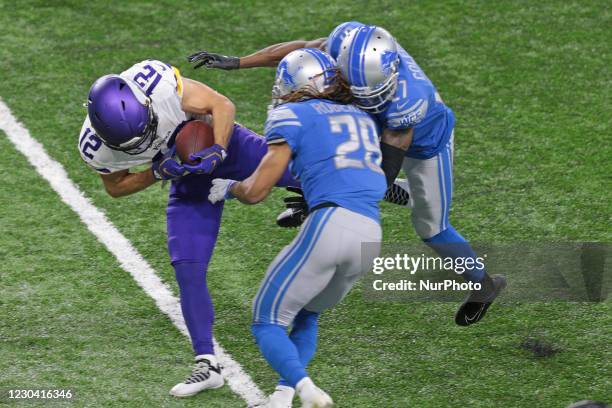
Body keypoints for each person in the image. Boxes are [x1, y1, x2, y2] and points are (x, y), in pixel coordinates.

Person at [189, 22, 506, 326]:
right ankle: (392, 195)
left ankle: (484, 285)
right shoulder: (346, 44)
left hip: (424, 144)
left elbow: (378, 176)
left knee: (431, 227)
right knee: (321, 144)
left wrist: (328, 200)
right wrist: (239, 62)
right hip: (368, 124)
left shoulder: (410, 100)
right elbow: (300, 54)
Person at [78, 59, 298, 397]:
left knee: (303, 174)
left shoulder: (157, 84)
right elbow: (115, 187)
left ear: (145, 102)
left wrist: (218, 150)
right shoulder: (95, 146)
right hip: (184, 178)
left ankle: (381, 182)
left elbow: (221, 104)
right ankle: (206, 363)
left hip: (225, 148)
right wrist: (156, 173)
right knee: (187, 266)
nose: (144, 140)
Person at [208, 48, 386, 408]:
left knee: (266, 320)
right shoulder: (361, 117)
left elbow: (257, 191)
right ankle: (281, 397)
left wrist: (229, 187)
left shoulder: (293, 113)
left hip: (332, 224)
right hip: (371, 234)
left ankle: (307, 391)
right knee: (308, 313)